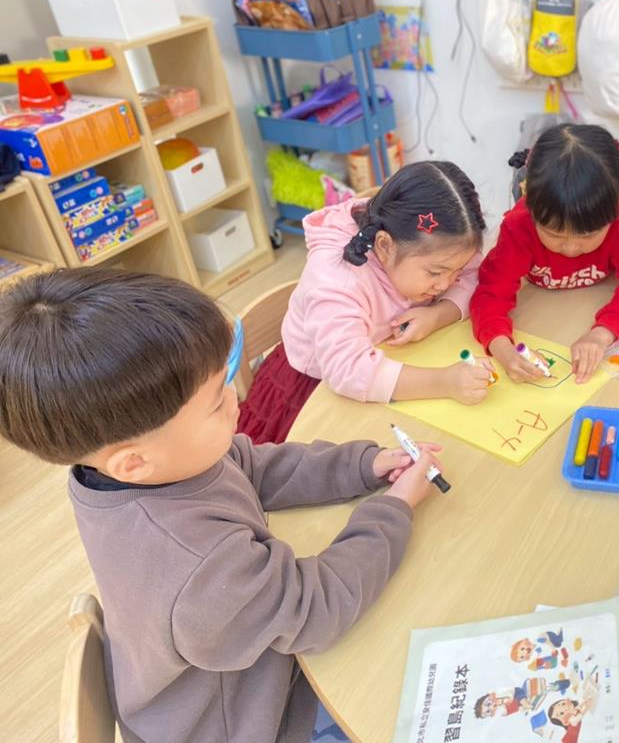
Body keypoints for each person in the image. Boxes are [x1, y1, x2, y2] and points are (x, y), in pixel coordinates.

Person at [0, 268, 443, 743]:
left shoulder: (146, 466)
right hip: (249, 726)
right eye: (215, 402)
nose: (235, 398)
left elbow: (254, 467)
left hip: (236, 675)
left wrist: (364, 465)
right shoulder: (198, 565)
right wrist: (395, 507)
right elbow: (315, 610)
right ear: (134, 462)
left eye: (225, 379)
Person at [238, 161, 490, 445]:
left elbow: (476, 275)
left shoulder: (424, 244)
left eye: (456, 270)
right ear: (384, 245)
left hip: (382, 366)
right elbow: (348, 371)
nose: (445, 284)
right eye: (435, 273)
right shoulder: (338, 279)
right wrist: (444, 382)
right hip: (312, 391)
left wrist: (439, 314)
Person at [470, 123, 619, 384]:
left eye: (587, 235)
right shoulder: (519, 226)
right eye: (553, 234)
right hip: (542, 314)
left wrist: (602, 333)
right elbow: (490, 293)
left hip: (591, 305)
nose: (570, 248)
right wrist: (503, 349)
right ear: (528, 198)